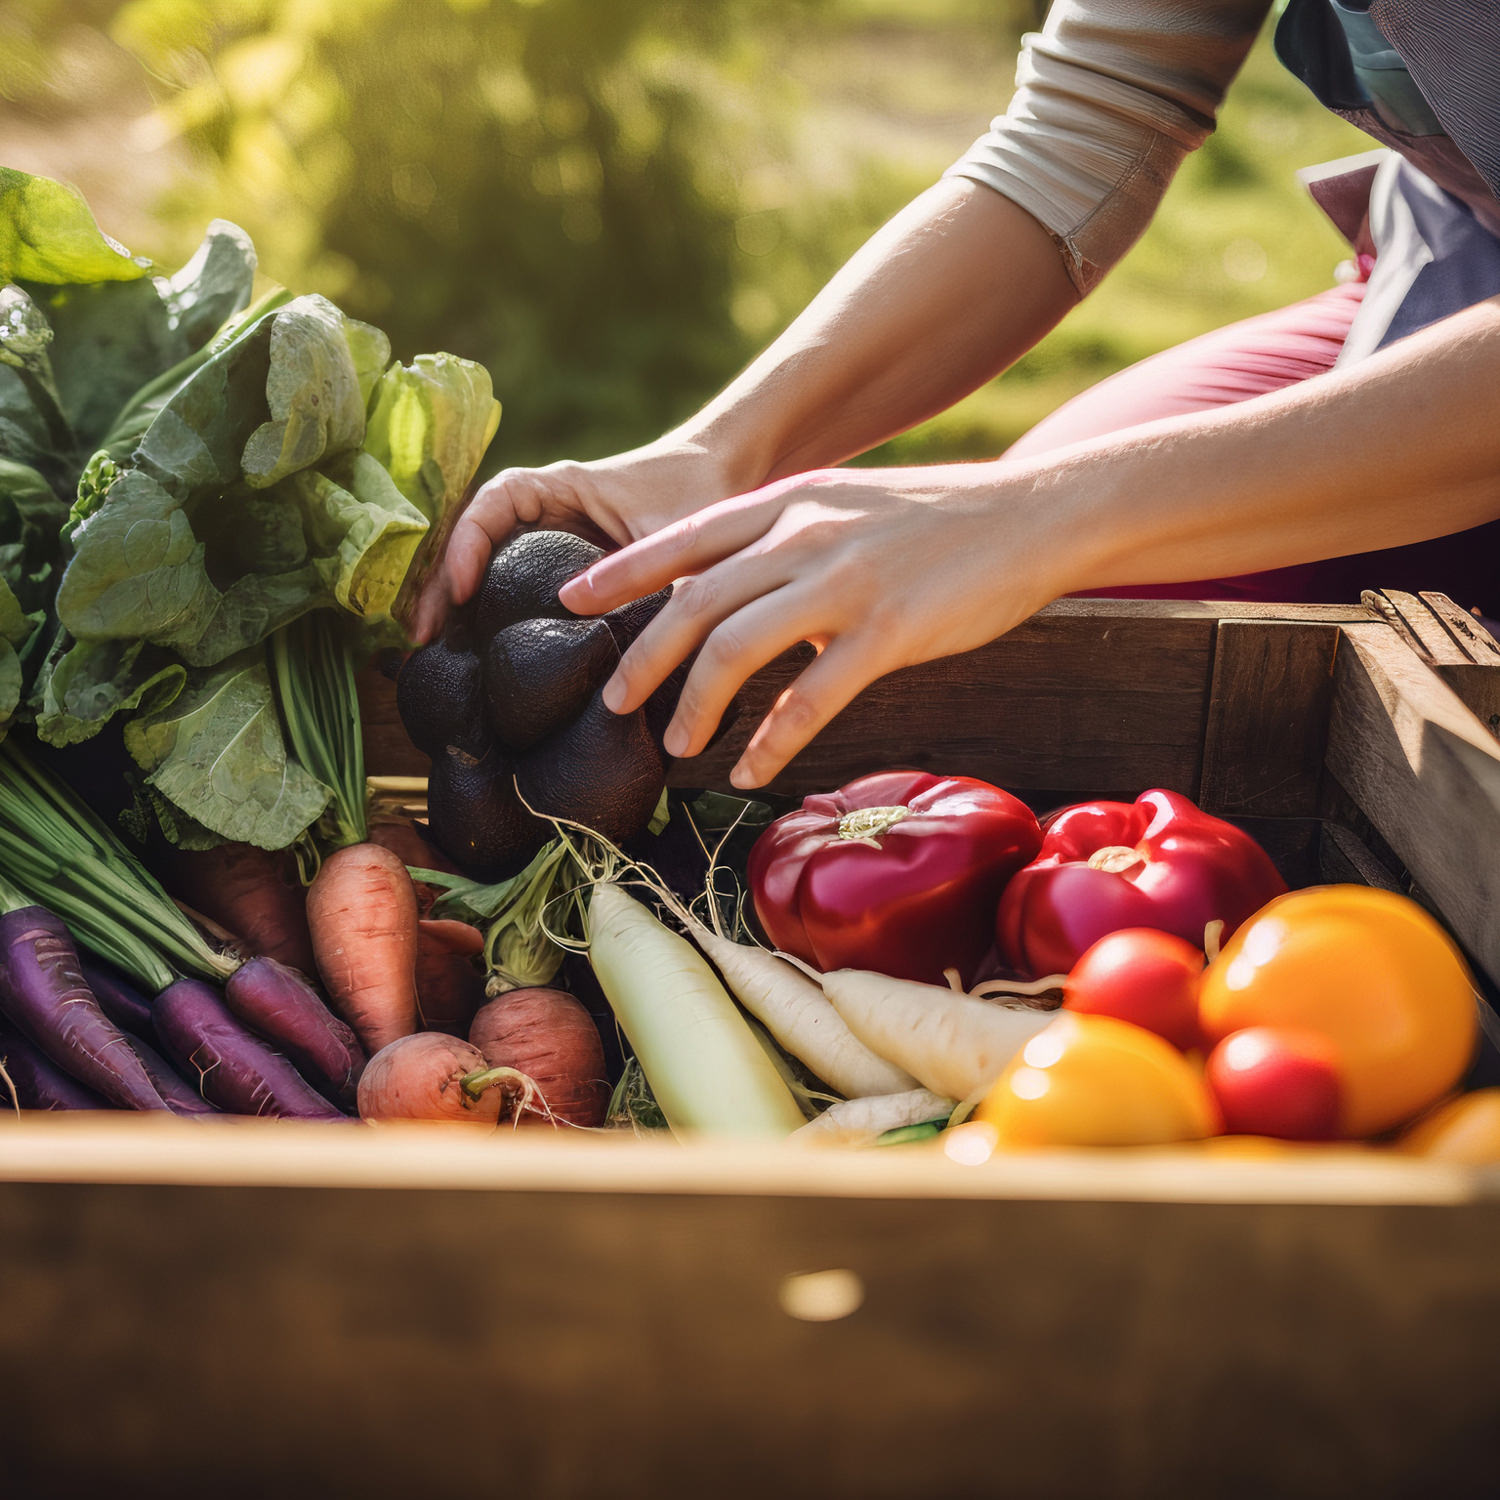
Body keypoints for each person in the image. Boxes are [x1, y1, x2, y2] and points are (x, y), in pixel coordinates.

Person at [414, 0, 1500, 791]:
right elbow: (1097, 111)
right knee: (1076, 625)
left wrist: (1041, 513)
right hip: (1458, 266)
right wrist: (725, 448)